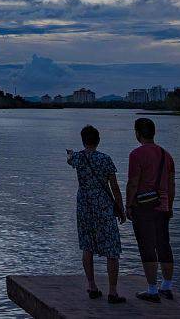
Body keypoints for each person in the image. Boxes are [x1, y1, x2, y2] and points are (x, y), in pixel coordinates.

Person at [66, 125, 127, 304]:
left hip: (84, 206)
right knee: (112, 249)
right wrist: (121, 209)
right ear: (98, 140)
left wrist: (70, 154)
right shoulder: (105, 159)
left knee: (87, 247)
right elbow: (114, 187)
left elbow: (70, 159)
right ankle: (113, 292)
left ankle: (92, 286)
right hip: (103, 206)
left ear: (83, 141)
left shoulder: (78, 158)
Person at [126, 117, 176, 303]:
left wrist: (128, 205)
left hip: (144, 207)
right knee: (164, 245)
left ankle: (152, 290)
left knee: (147, 247)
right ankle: (167, 286)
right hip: (163, 206)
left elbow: (133, 183)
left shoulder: (136, 155)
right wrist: (169, 205)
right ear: (154, 133)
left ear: (138, 133)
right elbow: (171, 184)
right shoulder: (166, 155)